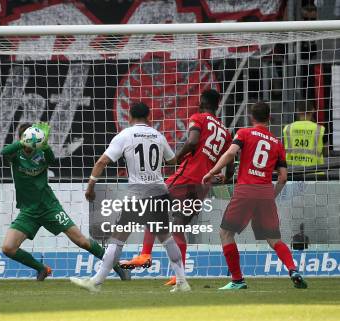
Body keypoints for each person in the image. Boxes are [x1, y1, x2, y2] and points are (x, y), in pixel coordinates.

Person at [69, 102, 190, 293]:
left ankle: (96, 281)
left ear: (130, 117)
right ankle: (182, 281)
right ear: (149, 116)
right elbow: (172, 160)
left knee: (117, 238)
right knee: (166, 237)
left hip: (139, 196)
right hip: (160, 192)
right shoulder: (158, 136)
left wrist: (90, 186)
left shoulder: (125, 135)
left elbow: (102, 161)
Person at [120, 89, 234, 286]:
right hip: (202, 185)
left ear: (201, 102)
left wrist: (177, 159)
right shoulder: (225, 132)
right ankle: (178, 276)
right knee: (178, 226)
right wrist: (225, 178)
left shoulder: (198, 117)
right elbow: (231, 162)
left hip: (185, 177)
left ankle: (145, 255)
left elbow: (192, 141)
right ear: (218, 105)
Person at [0, 123, 130, 281]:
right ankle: (42, 269)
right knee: (8, 248)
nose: (31, 147)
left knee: (82, 241)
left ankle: (116, 266)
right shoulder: (15, 154)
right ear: (22, 139)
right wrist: (22, 142)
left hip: (49, 207)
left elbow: (51, 159)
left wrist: (45, 145)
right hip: (28, 211)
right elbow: (3, 152)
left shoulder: (41, 152)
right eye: (28, 142)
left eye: (34, 143)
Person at [203, 101, 307, 290]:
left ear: (252, 117)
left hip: (245, 190)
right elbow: (283, 178)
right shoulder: (277, 143)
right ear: (269, 118)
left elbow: (231, 154)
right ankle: (293, 269)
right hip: (265, 193)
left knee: (226, 233)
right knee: (273, 239)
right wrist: (271, 196)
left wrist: (212, 171)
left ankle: (237, 280)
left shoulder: (244, 133)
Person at [283, 100, 326, 167]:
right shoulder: (320, 129)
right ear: (313, 110)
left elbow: (284, 150)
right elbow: (325, 152)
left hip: (292, 171)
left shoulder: (287, 128)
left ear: (297, 111)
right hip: (315, 172)